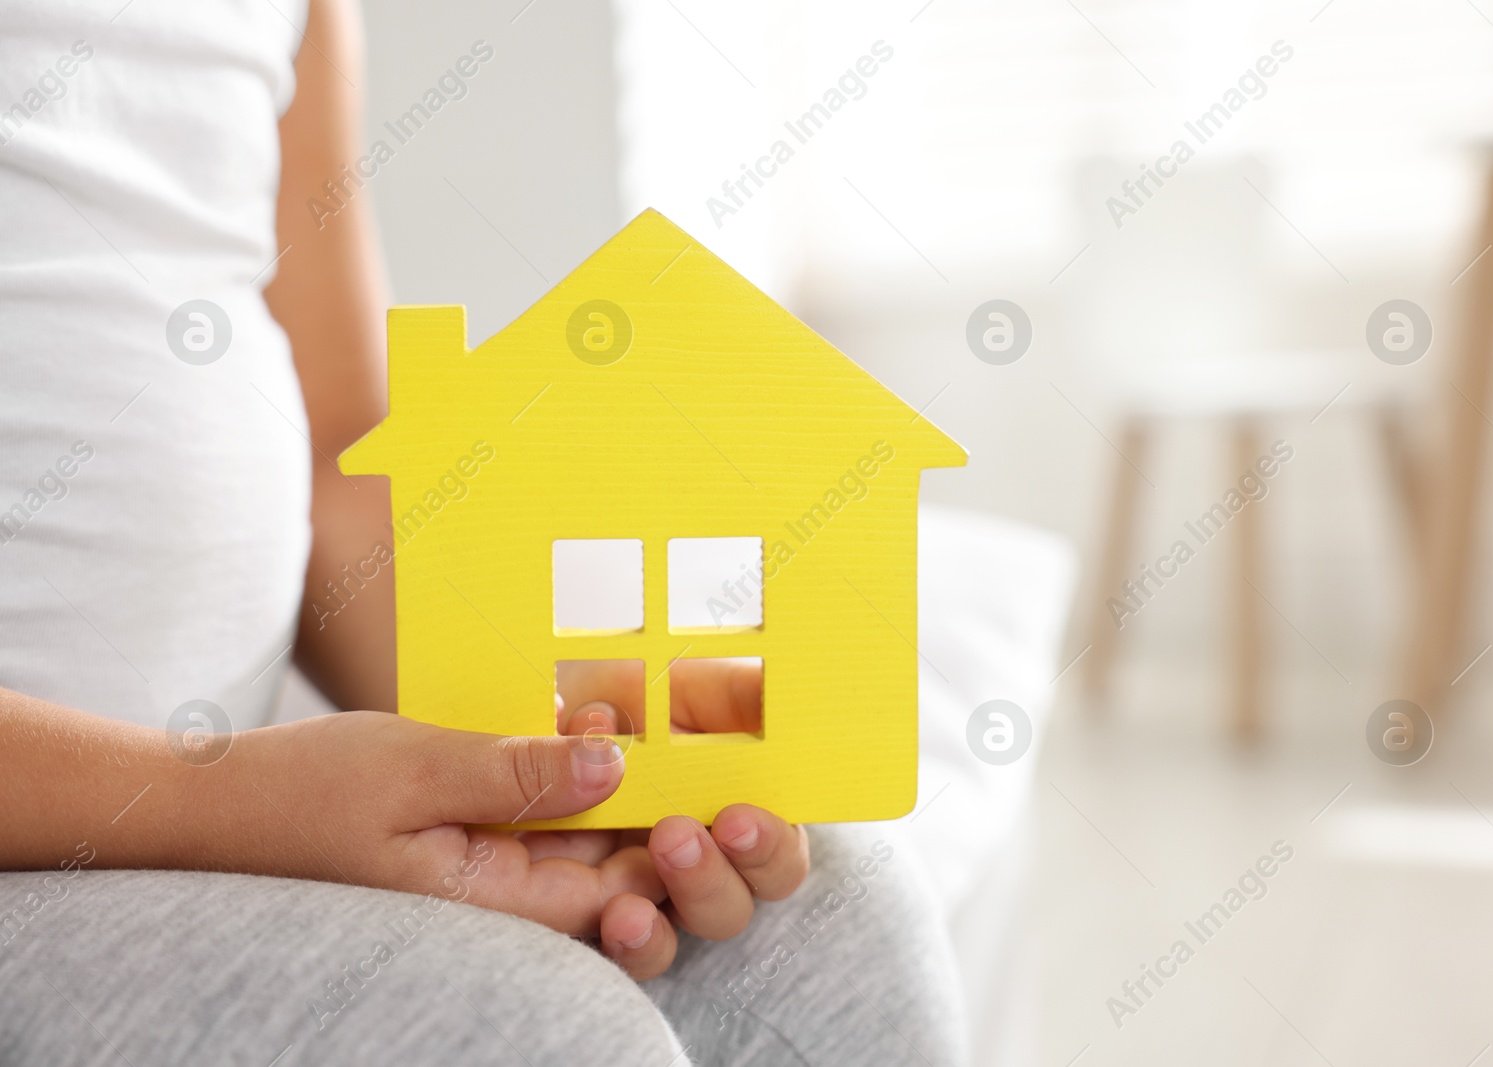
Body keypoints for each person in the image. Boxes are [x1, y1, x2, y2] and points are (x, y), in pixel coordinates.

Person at [0, 0, 965, 1062]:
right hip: (104, 831)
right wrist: (226, 798)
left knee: (835, 920)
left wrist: (534, 726)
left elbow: (344, 457)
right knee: (541, 1037)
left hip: (227, 799)